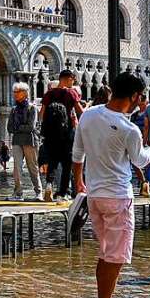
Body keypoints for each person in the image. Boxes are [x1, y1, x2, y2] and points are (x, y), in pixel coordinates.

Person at [71, 71, 150, 298]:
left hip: (95, 196)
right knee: (115, 258)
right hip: (118, 197)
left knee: (106, 254)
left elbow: (77, 153)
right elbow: (141, 160)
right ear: (136, 96)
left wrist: (79, 183)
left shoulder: (89, 114)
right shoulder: (129, 129)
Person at [39, 69, 84, 200]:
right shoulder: (71, 93)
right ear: (67, 78)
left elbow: (42, 114)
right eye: (72, 79)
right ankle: (62, 193)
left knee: (52, 160)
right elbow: (80, 111)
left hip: (50, 134)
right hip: (67, 132)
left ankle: (48, 185)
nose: (73, 82)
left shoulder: (49, 94)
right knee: (66, 163)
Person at [7, 82, 42, 201]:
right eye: (14, 92)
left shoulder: (32, 108)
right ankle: (18, 193)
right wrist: (21, 127)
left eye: (18, 92)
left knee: (33, 167)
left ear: (25, 93)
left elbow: (31, 127)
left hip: (30, 141)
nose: (15, 94)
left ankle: (38, 192)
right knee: (17, 168)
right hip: (17, 141)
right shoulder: (13, 110)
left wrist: (18, 127)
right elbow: (9, 128)